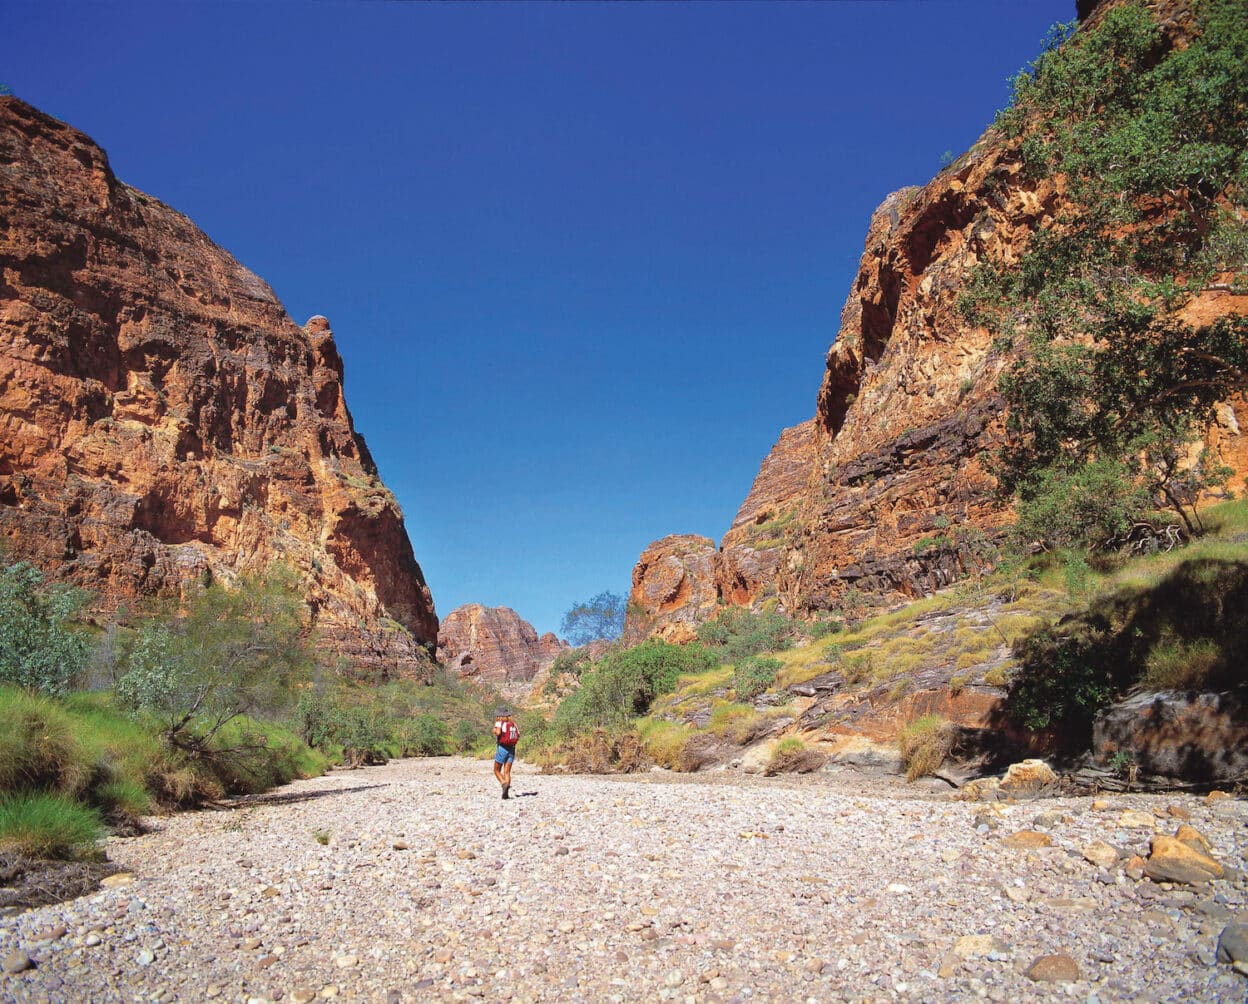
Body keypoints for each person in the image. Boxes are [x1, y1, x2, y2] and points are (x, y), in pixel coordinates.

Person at [492, 709, 519, 799]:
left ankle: (504, 783)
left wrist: (495, 731)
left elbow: (498, 733)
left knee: (496, 770)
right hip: (512, 749)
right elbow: (518, 735)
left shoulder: (499, 722)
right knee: (507, 772)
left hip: (502, 748)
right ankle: (506, 794)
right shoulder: (513, 724)